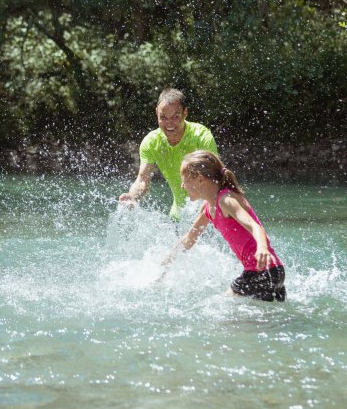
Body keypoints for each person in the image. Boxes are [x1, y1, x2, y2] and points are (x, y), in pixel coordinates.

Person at [161, 150, 286, 302]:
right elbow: (190, 236)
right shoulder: (208, 207)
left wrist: (262, 248)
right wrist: (167, 261)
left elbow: (255, 226)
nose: (182, 186)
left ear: (200, 179)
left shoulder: (225, 200)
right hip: (271, 271)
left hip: (262, 271)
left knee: (222, 306)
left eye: (184, 180)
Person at [119, 88, 217, 219]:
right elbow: (142, 180)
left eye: (175, 117)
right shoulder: (152, 142)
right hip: (178, 217)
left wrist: (201, 221)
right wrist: (132, 197)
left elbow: (215, 181)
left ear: (185, 113)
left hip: (209, 216)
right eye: (163, 117)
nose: (169, 123)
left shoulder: (201, 136)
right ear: (156, 113)